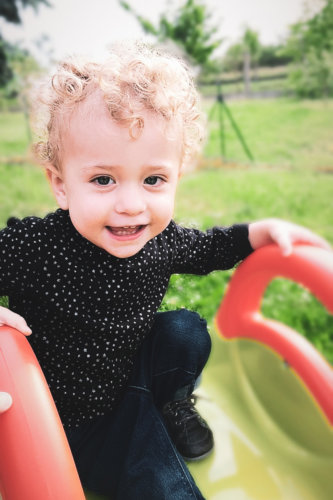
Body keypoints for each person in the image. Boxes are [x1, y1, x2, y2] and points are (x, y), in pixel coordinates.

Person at [0, 41, 330, 500]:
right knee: (165, 488)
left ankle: (172, 403)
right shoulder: (35, 247)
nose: (132, 205)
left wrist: (261, 231)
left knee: (186, 330)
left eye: (153, 179)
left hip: (126, 378)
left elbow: (213, 247)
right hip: (69, 421)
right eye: (102, 179)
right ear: (60, 184)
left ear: (175, 175)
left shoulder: (160, 239)